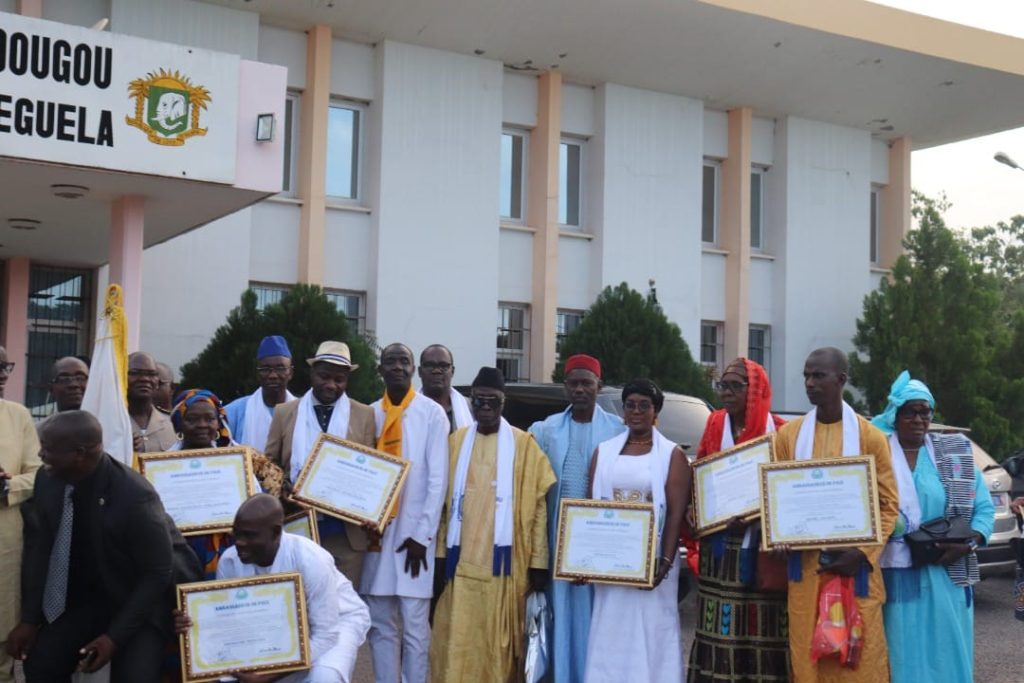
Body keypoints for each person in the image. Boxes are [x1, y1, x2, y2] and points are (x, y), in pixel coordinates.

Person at [7, 411, 178, 682]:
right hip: (87, 602)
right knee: (41, 664)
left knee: (135, 678)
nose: (41, 456)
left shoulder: (135, 497)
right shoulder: (46, 480)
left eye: (48, 450)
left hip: (135, 603)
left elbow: (157, 573)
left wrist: (113, 638)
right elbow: (40, 551)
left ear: (79, 453)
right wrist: (29, 620)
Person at [772, 347, 899, 683]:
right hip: (807, 572)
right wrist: (779, 535)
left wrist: (861, 553)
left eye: (819, 375)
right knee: (807, 660)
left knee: (859, 663)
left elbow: (888, 505)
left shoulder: (870, 436)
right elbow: (779, 501)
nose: (810, 383)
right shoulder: (789, 436)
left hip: (855, 572)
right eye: (806, 375)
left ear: (841, 379)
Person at [430, 367, 556, 682]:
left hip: (506, 568)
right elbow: (445, 506)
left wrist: (539, 562)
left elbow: (540, 505)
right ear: (471, 403)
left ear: (504, 403)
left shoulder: (524, 444)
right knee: (457, 641)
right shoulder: (455, 442)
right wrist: (441, 554)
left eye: (492, 402)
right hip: (461, 568)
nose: (485, 408)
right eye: (479, 402)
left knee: (498, 650)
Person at [871, 371, 993, 683]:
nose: (918, 419)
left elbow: (984, 509)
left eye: (925, 411)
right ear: (895, 415)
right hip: (895, 572)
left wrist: (969, 544)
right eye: (910, 411)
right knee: (900, 650)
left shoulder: (955, 454)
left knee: (947, 652)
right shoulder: (877, 454)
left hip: (946, 571)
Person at [174, 494, 370, 683]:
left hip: (336, 622)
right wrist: (193, 623)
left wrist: (270, 676)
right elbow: (229, 623)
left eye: (249, 536)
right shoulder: (229, 561)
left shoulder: (310, 560)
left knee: (324, 677)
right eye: (237, 534)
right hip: (276, 627)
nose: (240, 542)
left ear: (276, 532)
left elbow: (325, 634)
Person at [688, 358, 790, 682]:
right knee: (719, 624)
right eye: (723, 385)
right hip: (720, 547)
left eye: (735, 385)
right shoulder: (716, 424)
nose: (727, 393)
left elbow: (787, 487)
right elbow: (703, 470)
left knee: (764, 624)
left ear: (755, 389)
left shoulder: (780, 431)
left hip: (761, 547)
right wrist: (702, 509)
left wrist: (761, 518)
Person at [583, 379, 690, 683]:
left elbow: (674, 515)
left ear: (656, 411)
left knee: (650, 632)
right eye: (630, 405)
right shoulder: (603, 452)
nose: (636, 411)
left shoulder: (672, 455)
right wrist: (583, 562)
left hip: (652, 567)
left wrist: (665, 564)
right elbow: (590, 512)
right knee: (610, 630)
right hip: (612, 565)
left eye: (644, 405)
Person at [527, 353, 624, 683]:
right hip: (556, 540)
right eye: (574, 383)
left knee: (596, 614)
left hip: (601, 544)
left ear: (600, 385)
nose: (580, 389)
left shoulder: (618, 430)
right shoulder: (545, 430)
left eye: (587, 383)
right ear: (565, 387)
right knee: (561, 613)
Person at [361, 343, 449, 683]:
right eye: (390, 361)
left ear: (413, 370)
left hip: (414, 537)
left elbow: (437, 478)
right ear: (380, 369)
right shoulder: (368, 413)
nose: (397, 367)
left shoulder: (430, 413)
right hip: (377, 537)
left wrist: (422, 536)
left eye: (404, 361)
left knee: (415, 626)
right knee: (381, 625)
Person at [265, 341, 376, 585]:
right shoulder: (284, 412)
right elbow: (269, 464)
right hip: (297, 525)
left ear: (347, 380)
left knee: (344, 605)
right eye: (324, 376)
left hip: (346, 534)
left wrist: (372, 506)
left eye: (339, 379)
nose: (331, 385)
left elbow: (370, 470)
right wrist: (282, 490)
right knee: (300, 601)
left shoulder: (365, 414)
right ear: (312, 373)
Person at [169, 389, 284, 578]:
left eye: (209, 419)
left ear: (219, 421)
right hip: (181, 552)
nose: (202, 425)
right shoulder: (163, 466)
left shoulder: (238, 460)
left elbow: (255, 503)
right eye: (192, 419)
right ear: (180, 424)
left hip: (232, 548)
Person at [0, 346, 41, 683]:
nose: (2, 376)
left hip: (5, 550)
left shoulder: (18, 415)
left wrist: (7, 487)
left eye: (5, 367)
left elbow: (40, 473)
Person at [226, 335, 297, 452]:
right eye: (265, 369)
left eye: (280, 368)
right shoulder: (235, 412)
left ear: (290, 373)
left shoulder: (303, 410)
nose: (273, 375)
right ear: (257, 374)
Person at [127, 352, 176, 452]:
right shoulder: (111, 423)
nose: (144, 379)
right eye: (135, 373)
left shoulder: (174, 424)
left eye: (151, 374)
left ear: (157, 382)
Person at [418, 344, 472, 432]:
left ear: (453, 371)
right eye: (430, 365)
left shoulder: (471, 408)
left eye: (443, 366)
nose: (437, 371)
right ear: (420, 372)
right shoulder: (407, 410)